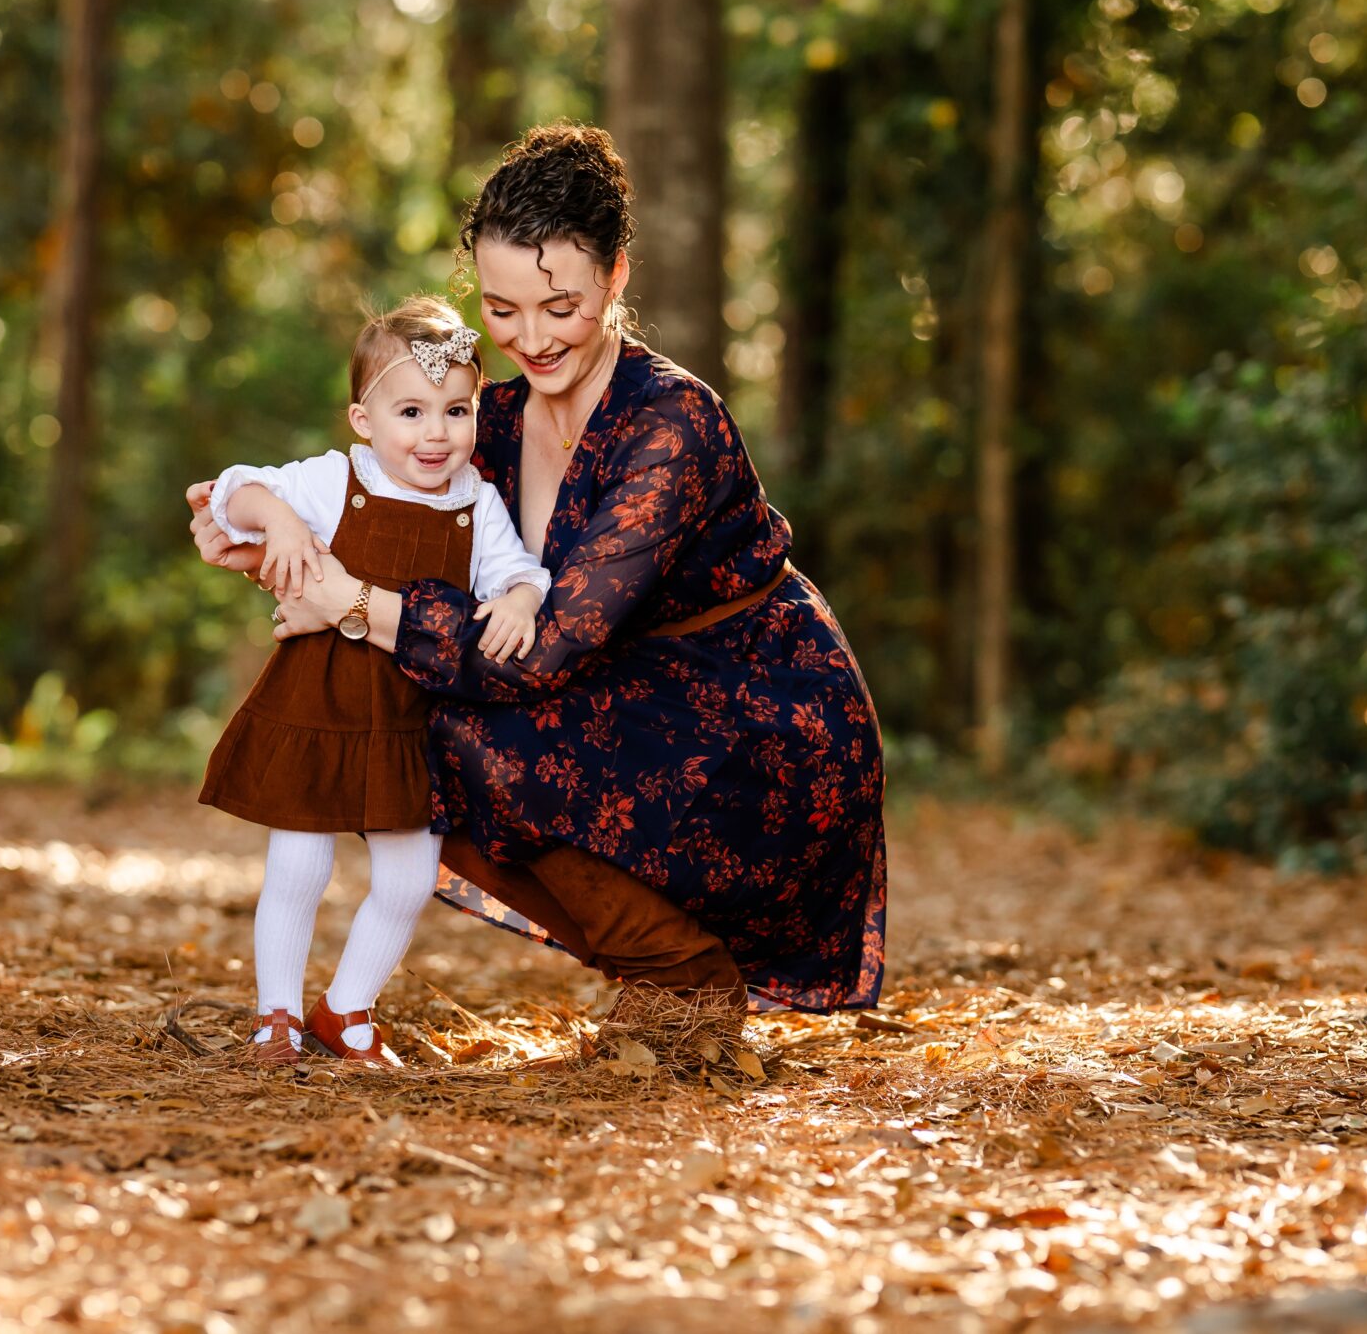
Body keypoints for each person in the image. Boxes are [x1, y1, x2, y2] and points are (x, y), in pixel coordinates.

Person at [191, 124, 885, 1041]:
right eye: (501, 309)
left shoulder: (671, 422)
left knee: (458, 724)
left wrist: (350, 604)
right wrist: (275, 546)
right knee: (385, 710)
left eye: (560, 307)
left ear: (616, 276)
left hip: (747, 722)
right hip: (622, 695)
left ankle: (683, 975)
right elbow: (402, 546)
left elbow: (541, 649)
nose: (530, 338)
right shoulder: (490, 419)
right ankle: (658, 963)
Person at [200, 294, 551, 1066]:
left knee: (408, 877)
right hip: (319, 696)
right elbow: (234, 489)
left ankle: (346, 1007)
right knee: (299, 865)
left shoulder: (475, 503)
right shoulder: (338, 479)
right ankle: (276, 1014)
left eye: (456, 411)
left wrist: (521, 597)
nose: (436, 433)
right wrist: (280, 519)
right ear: (364, 420)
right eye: (412, 412)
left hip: (408, 713)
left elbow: (519, 570)